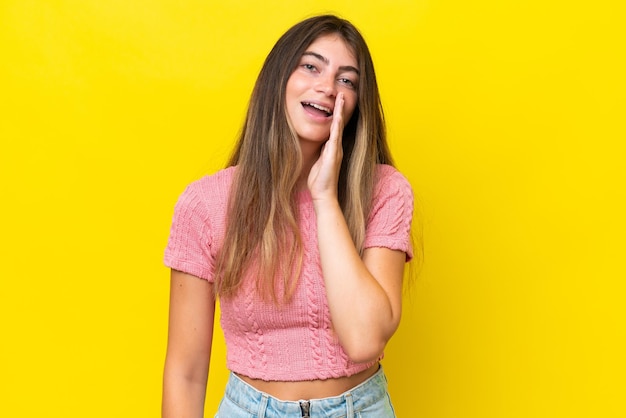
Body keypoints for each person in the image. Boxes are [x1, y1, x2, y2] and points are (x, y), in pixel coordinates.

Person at [162, 14, 414, 418]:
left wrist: (325, 198)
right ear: (277, 80)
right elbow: (186, 373)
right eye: (311, 66)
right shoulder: (205, 204)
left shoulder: (385, 190)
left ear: (355, 107)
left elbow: (365, 339)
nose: (328, 87)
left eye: (347, 80)